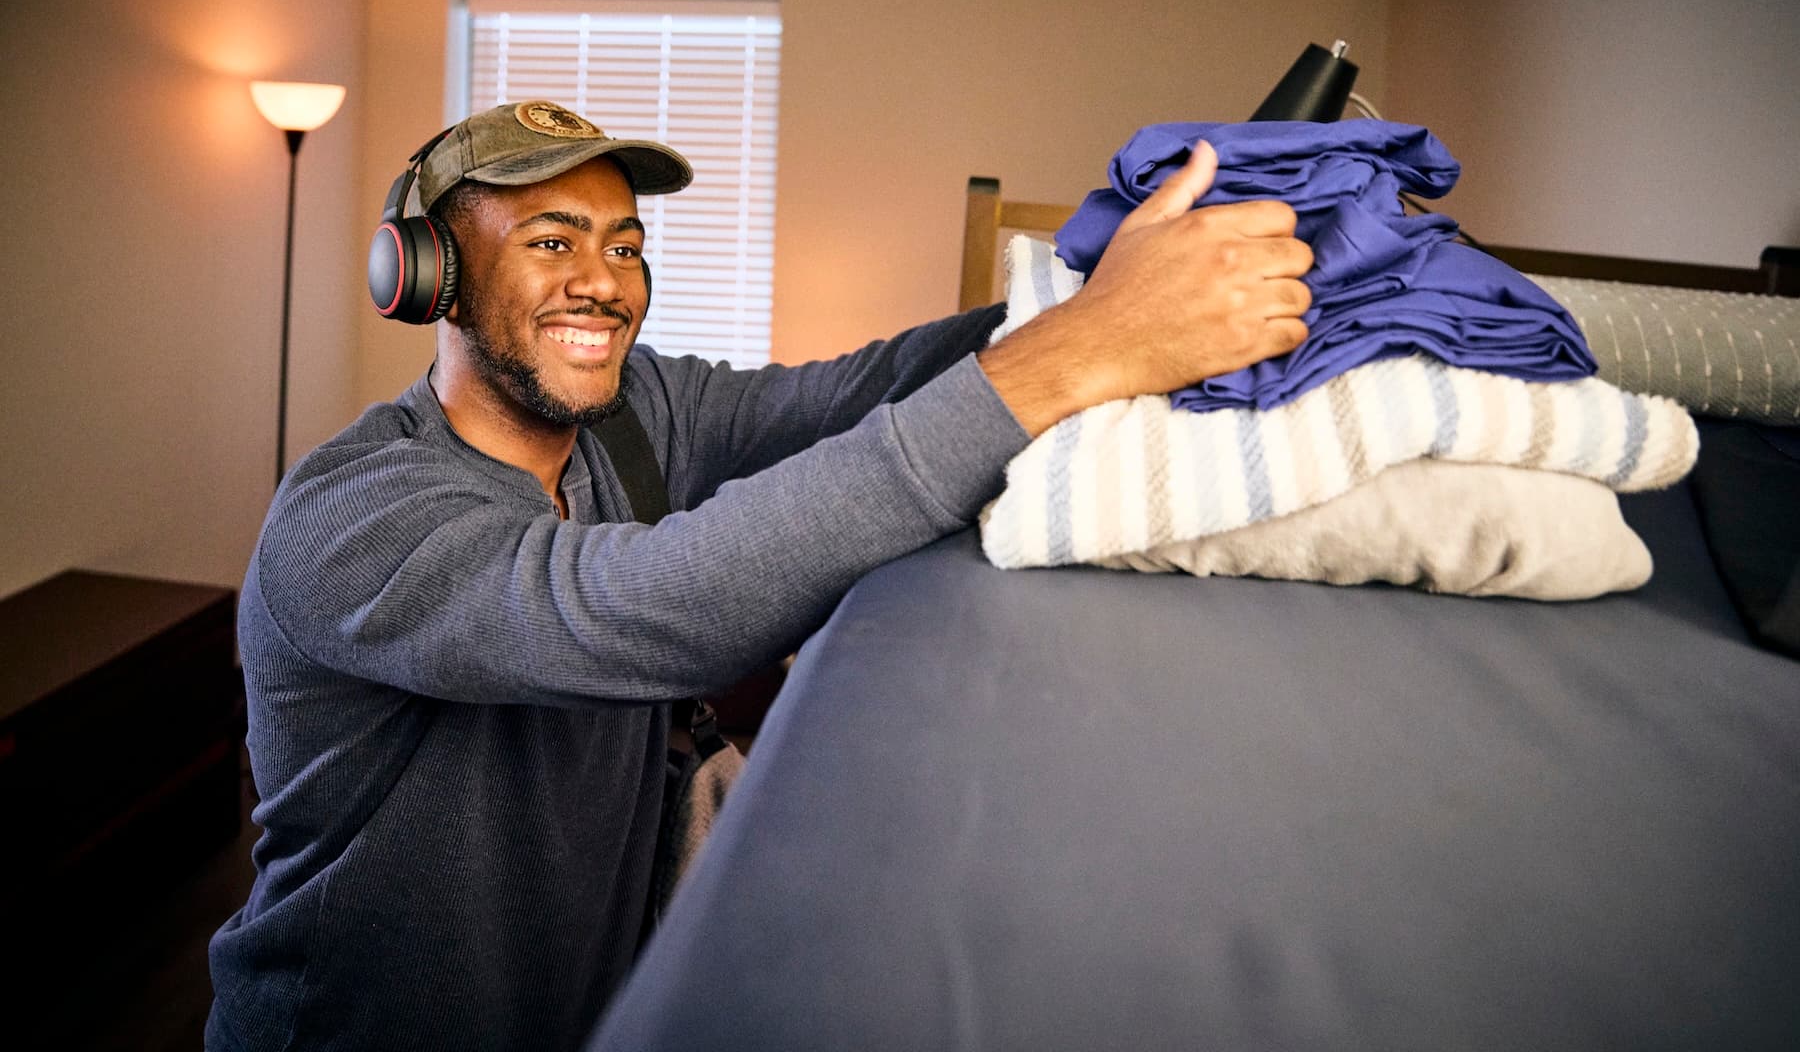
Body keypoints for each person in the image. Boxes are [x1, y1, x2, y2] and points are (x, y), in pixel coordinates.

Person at [205, 100, 1312, 1052]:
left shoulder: (639, 413)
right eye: (552, 242)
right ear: (430, 274)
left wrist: (1091, 288)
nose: (603, 284)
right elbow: (639, 606)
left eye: (625, 246)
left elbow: (859, 394)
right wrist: (1075, 355)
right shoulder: (350, 516)